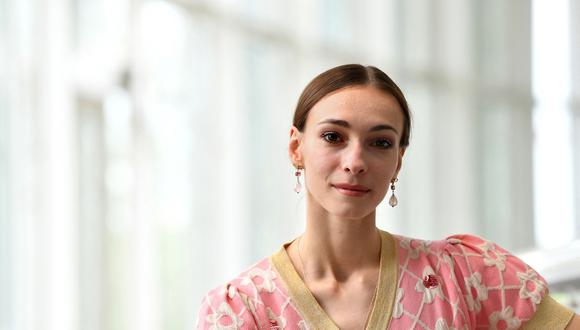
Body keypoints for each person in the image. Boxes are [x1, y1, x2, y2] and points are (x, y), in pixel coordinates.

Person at [196, 64, 580, 329]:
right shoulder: (242, 310)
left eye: (380, 143)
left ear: (398, 160)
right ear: (296, 147)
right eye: (333, 137)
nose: (356, 161)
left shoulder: (463, 275)